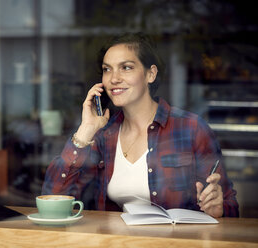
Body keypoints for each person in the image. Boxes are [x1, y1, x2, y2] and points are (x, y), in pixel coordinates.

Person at [42, 32, 239, 217]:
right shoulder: (103, 134)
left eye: (126, 67)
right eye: (106, 69)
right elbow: (53, 198)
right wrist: (85, 131)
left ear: (150, 74)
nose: (114, 79)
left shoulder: (191, 128)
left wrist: (219, 208)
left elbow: (230, 206)